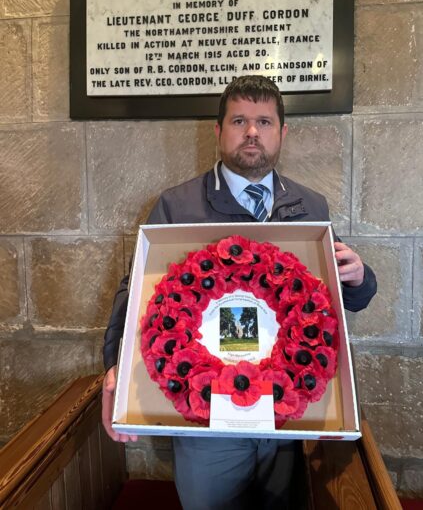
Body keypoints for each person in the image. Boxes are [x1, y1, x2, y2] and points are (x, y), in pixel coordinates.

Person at [102, 75, 377, 509]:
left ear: (282, 132)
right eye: (240, 121)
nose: (253, 132)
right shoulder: (178, 205)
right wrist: (114, 368)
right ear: (219, 130)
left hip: (285, 418)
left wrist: (360, 277)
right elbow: (134, 290)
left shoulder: (310, 205)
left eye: (265, 121)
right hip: (206, 417)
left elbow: (334, 301)